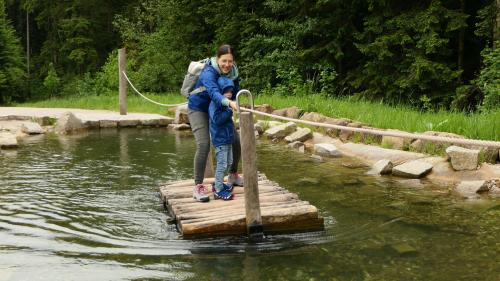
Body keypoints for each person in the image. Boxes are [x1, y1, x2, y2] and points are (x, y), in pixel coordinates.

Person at [188, 44, 243, 202]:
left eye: (230, 61)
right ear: (217, 59)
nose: (227, 65)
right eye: (223, 61)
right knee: (204, 144)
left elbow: (236, 90)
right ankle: (198, 186)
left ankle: (232, 175)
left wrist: (236, 101)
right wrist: (229, 103)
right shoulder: (208, 72)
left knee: (235, 141)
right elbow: (213, 92)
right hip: (198, 108)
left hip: (219, 109)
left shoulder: (233, 72)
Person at [208, 76, 236, 200]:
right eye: (226, 91)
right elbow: (217, 120)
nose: (229, 94)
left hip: (227, 139)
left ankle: (218, 183)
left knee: (229, 162)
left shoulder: (226, 104)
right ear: (219, 91)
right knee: (222, 164)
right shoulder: (215, 104)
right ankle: (218, 190)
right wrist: (229, 112)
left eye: (231, 91)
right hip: (220, 140)